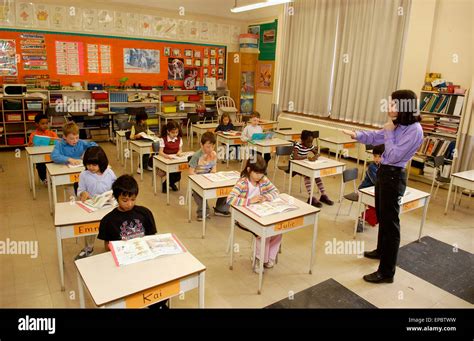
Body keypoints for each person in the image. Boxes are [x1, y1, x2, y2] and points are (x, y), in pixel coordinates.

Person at [342, 89, 423, 283]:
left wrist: (388, 132)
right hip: (384, 173)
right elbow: (376, 137)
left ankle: (386, 272)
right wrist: (356, 135)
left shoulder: (414, 130)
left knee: (390, 224)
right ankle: (380, 251)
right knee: (381, 215)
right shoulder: (397, 125)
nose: (389, 107)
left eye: (393, 104)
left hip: (394, 177)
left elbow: (394, 154)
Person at [97, 175, 168, 309]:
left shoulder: (145, 213)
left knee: (161, 283)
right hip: (125, 264)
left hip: (145, 260)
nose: (129, 204)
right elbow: (107, 246)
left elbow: (152, 237)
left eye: (133, 199)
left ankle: (156, 303)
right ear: (116, 198)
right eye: (124, 200)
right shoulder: (108, 220)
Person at [226, 155, 280, 272]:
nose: (259, 176)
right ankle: (259, 260)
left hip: (260, 215)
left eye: (262, 173)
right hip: (244, 218)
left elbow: (275, 191)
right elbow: (230, 199)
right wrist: (250, 201)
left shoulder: (263, 180)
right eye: (257, 173)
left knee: (277, 231)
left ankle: (269, 259)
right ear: (249, 170)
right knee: (261, 233)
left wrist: (266, 197)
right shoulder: (243, 182)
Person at [75, 146, 117, 259]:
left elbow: (116, 187)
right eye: (88, 165)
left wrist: (113, 194)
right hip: (92, 206)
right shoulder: (84, 175)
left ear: (102, 163)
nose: (91, 168)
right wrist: (83, 194)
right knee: (90, 227)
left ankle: (111, 244)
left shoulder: (109, 173)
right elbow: (80, 190)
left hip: (108, 206)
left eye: (94, 165)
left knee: (112, 225)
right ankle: (89, 248)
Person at [188, 132, 230, 220]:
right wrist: (201, 178)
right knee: (199, 193)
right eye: (208, 146)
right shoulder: (196, 156)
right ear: (201, 145)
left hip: (209, 178)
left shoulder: (213, 154)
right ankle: (202, 212)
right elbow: (191, 172)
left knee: (227, 186)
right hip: (197, 180)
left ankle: (220, 208)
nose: (210, 149)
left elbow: (214, 168)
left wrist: (214, 174)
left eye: (213, 146)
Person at [290, 130, 334, 208]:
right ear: (302, 140)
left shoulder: (309, 145)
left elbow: (317, 153)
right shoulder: (298, 146)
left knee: (316, 175)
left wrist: (316, 156)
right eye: (308, 142)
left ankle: (323, 195)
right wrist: (306, 157)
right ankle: (311, 197)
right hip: (294, 166)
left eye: (311, 142)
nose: (310, 144)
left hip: (305, 165)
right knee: (308, 176)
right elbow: (295, 157)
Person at [356, 144, 385, 232]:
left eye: (380, 157)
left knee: (382, 207)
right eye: (375, 156)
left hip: (375, 192)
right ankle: (362, 217)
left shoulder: (383, 166)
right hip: (364, 191)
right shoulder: (372, 167)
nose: (377, 159)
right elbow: (377, 182)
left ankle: (367, 216)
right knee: (379, 207)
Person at [28, 113, 58, 185]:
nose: (45, 125)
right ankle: (44, 179)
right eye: (43, 123)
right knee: (40, 165)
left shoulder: (52, 133)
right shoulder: (33, 135)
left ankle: (54, 177)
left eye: (47, 123)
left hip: (51, 155)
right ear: (37, 124)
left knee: (57, 162)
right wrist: (33, 145)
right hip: (39, 156)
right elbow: (30, 147)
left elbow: (58, 143)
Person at [156, 120, 184, 193]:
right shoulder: (163, 139)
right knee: (171, 173)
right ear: (168, 131)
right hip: (166, 160)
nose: (175, 134)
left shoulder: (179, 139)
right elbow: (160, 152)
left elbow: (180, 149)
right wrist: (166, 156)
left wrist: (179, 153)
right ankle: (166, 184)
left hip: (176, 160)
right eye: (173, 132)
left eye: (176, 132)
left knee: (178, 177)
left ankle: (170, 183)